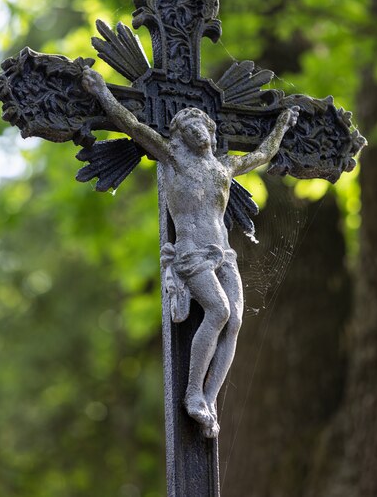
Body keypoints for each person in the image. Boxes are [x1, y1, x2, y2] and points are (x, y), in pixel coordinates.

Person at [82, 66, 299, 438]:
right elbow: (133, 126)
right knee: (219, 311)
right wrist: (102, 92)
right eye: (193, 128)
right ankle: (193, 394)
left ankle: (209, 399)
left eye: (205, 127)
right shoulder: (173, 158)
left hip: (223, 254)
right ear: (180, 134)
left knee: (235, 323)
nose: (202, 132)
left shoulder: (225, 167)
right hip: (191, 252)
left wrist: (281, 125)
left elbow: (263, 153)